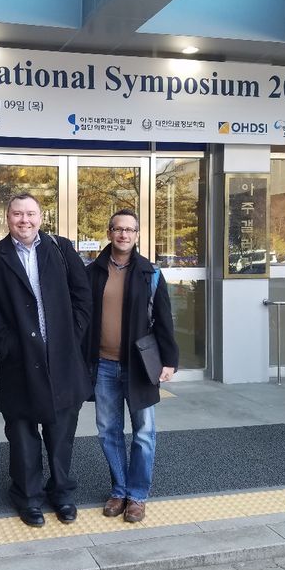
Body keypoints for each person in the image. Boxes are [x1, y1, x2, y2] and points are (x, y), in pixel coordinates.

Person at [0, 193, 92, 527]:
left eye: (30, 214)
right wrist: (8, 344)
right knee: (22, 435)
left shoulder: (61, 249)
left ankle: (62, 492)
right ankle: (28, 496)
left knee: (61, 433)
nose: (24, 220)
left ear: (41, 217)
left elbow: (83, 296)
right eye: (17, 214)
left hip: (62, 360)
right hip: (19, 362)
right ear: (6, 218)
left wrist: (71, 335)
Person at [84, 209, 179, 523]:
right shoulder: (93, 272)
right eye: (118, 229)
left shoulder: (150, 273)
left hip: (139, 366)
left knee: (144, 432)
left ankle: (137, 496)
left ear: (137, 235)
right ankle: (119, 490)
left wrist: (170, 361)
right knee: (107, 431)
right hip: (103, 365)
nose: (123, 235)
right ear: (109, 233)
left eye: (130, 230)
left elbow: (164, 320)